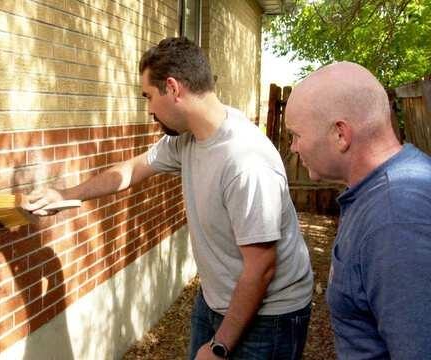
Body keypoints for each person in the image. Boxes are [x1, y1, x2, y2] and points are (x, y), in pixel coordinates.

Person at [25, 37, 313, 360]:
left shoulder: (245, 163)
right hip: (216, 298)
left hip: (270, 317)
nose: (149, 109)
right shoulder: (188, 138)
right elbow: (132, 170)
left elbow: (261, 268)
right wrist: (65, 195)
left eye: (148, 96)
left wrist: (220, 346)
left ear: (173, 88)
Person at [285, 61, 431, 359]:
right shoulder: (378, 192)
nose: (293, 148)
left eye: (296, 135)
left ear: (341, 134)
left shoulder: (396, 218)